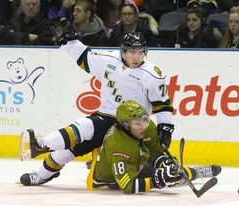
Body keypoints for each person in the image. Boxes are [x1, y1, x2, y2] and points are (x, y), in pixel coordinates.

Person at [19, 29, 177, 186]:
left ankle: (42, 144)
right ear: (123, 51)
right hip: (107, 116)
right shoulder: (108, 60)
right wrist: (69, 42)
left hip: (131, 127)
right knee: (66, 151)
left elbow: (162, 104)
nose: (136, 57)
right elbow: (85, 58)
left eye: (141, 52)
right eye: (131, 52)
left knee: (86, 126)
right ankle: (40, 172)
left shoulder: (152, 74)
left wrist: (165, 127)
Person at [87, 100, 221, 194]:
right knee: (168, 177)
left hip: (134, 159)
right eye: (137, 124)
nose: (143, 126)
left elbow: (155, 153)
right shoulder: (119, 147)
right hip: (111, 178)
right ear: (126, 125)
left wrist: (166, 163)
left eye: (144, 120)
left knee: (172, 171)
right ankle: (194, 173)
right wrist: (156, 180)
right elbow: (127, 186)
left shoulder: (146, 126)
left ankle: (195, 172)